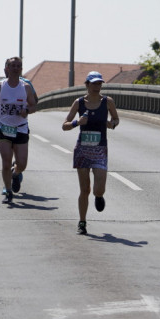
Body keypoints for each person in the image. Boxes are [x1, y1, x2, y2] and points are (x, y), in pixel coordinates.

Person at [62, 71, 120, 235]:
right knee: (84, 189)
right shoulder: (79, 103)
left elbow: (116, 119)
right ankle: (82, 222)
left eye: (99, 83)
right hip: (83, 149)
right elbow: (64, 125)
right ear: (87, 85)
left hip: (100, 149)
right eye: (94, 83)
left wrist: (112, 124)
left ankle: (99, 197)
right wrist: (77, 122)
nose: (97, 86)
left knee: (98, 189)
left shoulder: (107, 102)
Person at [0, 56, 38, 203]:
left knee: (22, 164)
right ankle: (8, 190)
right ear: (6, 69)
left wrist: (26, 110)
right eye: (13, 66)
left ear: (21, 69)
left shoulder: (25, 87)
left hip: (20, 128)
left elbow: (34, 106)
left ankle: (15, 174)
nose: (16, 68)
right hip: (3, 128)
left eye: (18, 66)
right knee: (6, 161)